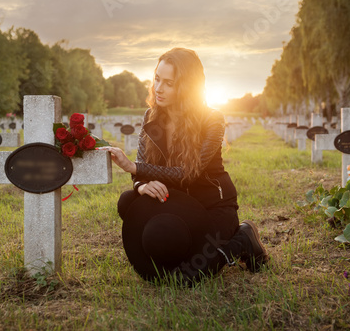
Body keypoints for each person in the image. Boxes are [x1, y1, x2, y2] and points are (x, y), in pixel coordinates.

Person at [98, 47, 268, 283]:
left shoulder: (212, 120)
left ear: (187, 86)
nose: (158, 88)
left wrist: (135, 169)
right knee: (128, 200)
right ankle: (182, 244)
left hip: (212, 206)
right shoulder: (151, 116)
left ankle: (243, 238)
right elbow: (143, 165)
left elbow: (188, 174)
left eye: (169, 83)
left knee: (187, 277)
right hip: (177, 203)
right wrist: (140, 185)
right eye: (157, 79)